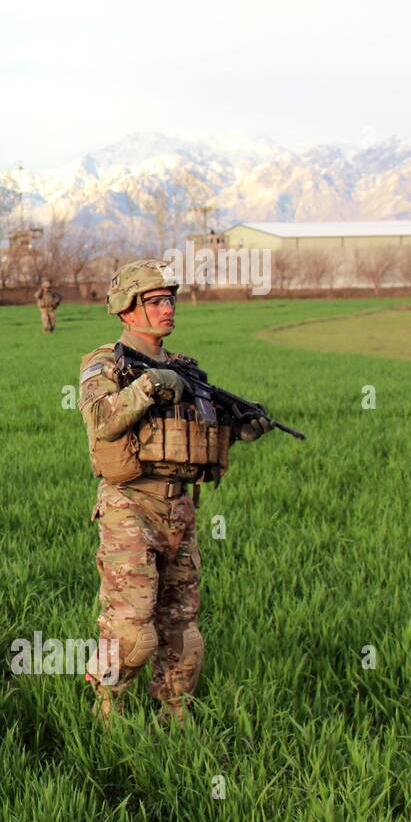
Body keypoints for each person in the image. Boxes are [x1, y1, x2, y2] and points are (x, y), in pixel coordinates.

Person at [78, 260, 273, 723]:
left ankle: (174, 714)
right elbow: (103, 421)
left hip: (178, 507)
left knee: (183, 628)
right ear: (127, 309)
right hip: (129, 503)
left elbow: (199, 430)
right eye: (156, 301)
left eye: (170, 300)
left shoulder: (185, 368)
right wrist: (149, 385)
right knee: (132, 630)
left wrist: (241, 428)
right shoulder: (108, 363)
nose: (168, 309)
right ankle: (108, 708)